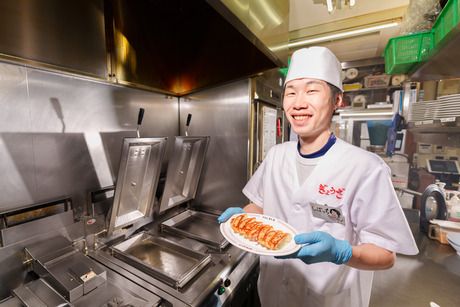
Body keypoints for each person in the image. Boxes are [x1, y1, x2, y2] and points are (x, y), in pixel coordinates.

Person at [218, 47, 418, 307]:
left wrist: (341, 253)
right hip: (272, 295)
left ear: (337, 101)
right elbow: (259, 204)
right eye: (291, 92)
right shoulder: (276, 155)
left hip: (330, 300)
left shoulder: (365, 167)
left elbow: (385, 254)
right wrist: (244, 220)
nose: (298, 103)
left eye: (312, 90)